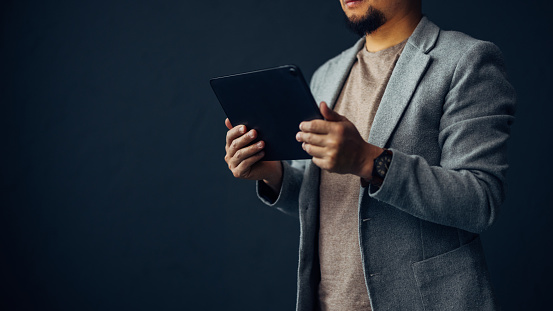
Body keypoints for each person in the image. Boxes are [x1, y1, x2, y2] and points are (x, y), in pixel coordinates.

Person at [223, 0, 515, 310]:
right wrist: (272, 173)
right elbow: (322, 204)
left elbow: (479, 202)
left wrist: (369, 161)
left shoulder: (467, 61)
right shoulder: (327, 75)